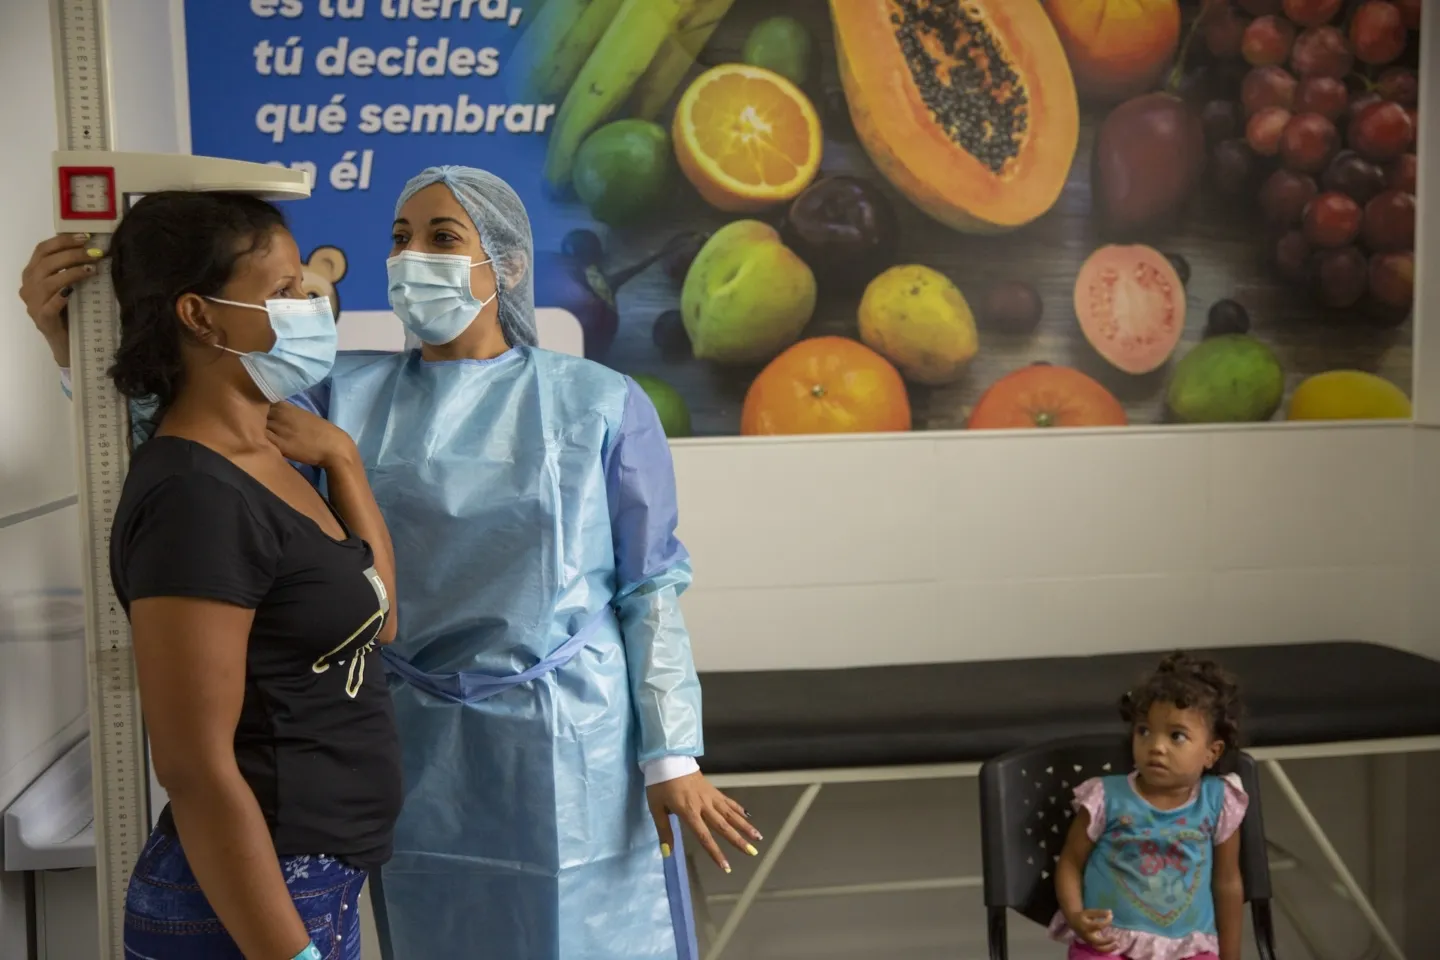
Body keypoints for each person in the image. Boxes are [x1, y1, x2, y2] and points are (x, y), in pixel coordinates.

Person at [21, 166, 759, 960]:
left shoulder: (599, 400)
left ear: (506, 265)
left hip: (568, 734)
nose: (413, 258)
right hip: (410, 738)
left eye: (443, 239)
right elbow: (193, 441)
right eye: (400, 239)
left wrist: (671, 756)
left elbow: (649, 586)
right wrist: (78, 342)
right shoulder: (342, 396)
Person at [87, 191, 403, 959]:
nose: (311, 305)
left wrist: (342, 459)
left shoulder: (274, 454)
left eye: (307, 284)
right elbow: (193, 767)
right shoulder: (195, 498)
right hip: (248, 908)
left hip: (310, 882)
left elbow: (381, 618)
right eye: (284, 292)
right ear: (200, 316)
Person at [1052, 653, 1248, 960]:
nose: (1156, 746)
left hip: (1190, 949)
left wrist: (1231, 956)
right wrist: (1076, 915)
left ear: (1212, 752)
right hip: (1108, 945)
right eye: (1144, 730)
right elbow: (1070, 863)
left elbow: (1227, 883)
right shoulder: (1105, 798)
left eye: (1176, 736)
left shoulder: (1219, 801)